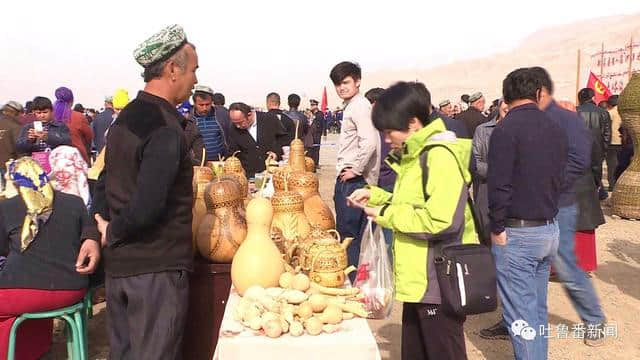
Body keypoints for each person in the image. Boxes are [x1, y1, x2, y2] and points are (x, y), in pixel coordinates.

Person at [348, 81, 477, 360]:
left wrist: (385, 215)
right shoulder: (416, 156)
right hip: (420, 281)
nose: (386, 139)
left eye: (388, 131)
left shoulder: (439, 157)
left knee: (443, 351)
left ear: (414, 123)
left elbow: (441, 221)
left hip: (438, 282)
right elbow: (413, 204)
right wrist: (378, 197)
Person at [91, 24, 197, 360]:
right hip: (155, 270)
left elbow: (105, 179)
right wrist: (112, 230)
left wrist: (101, 229)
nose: (195, 80)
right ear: (172, 70)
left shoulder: (124, 120)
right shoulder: (165, 128)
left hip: (122, 269)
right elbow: (149, 204)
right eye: (193, 70)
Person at [489, 68, 568, 360]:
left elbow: (499, 184)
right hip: (548, 229)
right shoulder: (556, 128)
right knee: (536, 310)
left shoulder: (506, 129)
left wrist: (496, 228)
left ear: (506, 96)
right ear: (538, 94)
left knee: (521, 316)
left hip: (518, 233)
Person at [0, 157, 100, 360]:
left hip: (22, 294)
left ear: (16, 182)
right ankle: (36, 349)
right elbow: (89, 232)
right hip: (72, 289)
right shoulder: (74, 202)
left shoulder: (8, 207)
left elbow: (3, 250)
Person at [330, 61, 380, 276]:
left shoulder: (359, 106)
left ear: (357, 81)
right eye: (337, 84)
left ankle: (350, 281)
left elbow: (369, 141)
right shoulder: (353, 105)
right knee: (356, 238)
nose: (341, 88)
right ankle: (356, 282)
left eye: (346, 82)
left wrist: (356, 169)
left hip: (352, 180)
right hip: (354, 178)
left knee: (349, 236)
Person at [472, 100, 508, 244]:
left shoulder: (524, 129)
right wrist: (498, 171)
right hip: (487, 189)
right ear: (499, 107)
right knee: (488, 236)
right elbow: (475, 162)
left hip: (515, 193)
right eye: (506, 102)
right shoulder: (483, 130)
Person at [227, 102, 287, 178]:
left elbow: (283, 139)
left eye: (240, 122)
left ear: (249, 115)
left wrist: (276, 152)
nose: (237, 126)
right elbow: (233, 151)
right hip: (249, 175)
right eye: (235, 123)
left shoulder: (270, 119)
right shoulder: (233, 129)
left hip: (272, 173)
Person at [577, 87, 611, 200]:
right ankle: (594, 196)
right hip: (597, 149)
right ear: (592, 98)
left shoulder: (575, 111)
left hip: (578, 148)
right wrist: (604, 150)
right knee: (596, 173)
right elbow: (607, 135)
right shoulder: (603, 113)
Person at [53, 87, 93, 165]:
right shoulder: (79, 117)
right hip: (78, 158)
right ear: (71, 101)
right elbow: (89, 137)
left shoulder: (51, 116)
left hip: (56, 159)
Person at [191, 85, 227, 162]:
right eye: (201, 105)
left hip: (220, 162)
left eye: (207, 104)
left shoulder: (221, 115)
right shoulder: (189, 119)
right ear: (194, 103)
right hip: (199, 164)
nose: (205, 108)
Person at [0, 101, 24, 188]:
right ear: (15, 113)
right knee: (13, 191)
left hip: (2, 163)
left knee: (4, 190)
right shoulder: (15, 127)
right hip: (11, 163)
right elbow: (19, 147)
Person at [285, 94, 312, 166]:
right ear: (299, 104)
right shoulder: (303, 117)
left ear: (288, 103)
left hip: (285, 149)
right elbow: (306, 132)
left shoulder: (284, 116)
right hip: (299, 149)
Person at [606, 95, 622, 190]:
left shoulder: (610, 113)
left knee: (612, 165)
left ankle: (612, 185)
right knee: (622, 163)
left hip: (612, 142)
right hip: (623, 142)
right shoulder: (623, 112)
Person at [309, 99, 325, 166]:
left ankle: (316, 163)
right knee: (310, 149)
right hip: (310, 134)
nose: (312, 106)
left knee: (316, 149)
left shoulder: (319, 114)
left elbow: (321, 124)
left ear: (316, 105)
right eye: (311, 105)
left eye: (313, 105)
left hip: (317, 134)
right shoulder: (310, 113)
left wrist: (324, 133)